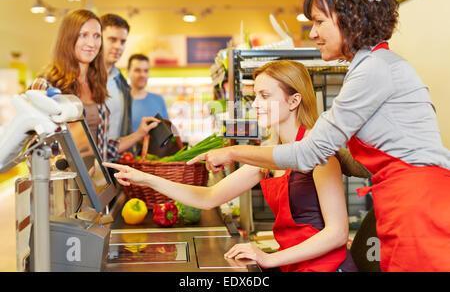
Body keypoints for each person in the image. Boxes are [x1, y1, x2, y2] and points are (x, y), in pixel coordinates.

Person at [188, 0, 450, 272]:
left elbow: (305, 154)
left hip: (418, 207)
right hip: (401, 204)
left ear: (351, 17)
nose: (312, 33)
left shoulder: (373, 69)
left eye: (318, 21)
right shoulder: (370, 66)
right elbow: (361, 156)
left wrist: (232, 152)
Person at [105, 60, 357, 272]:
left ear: (293, 101)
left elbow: (337, 233)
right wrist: (145, 178)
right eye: (254, 95)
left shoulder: (319, 153)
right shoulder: (269, 158)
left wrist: (269, 258)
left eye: (265, 96)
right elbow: (209, 197)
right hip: (294, 265)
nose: (255, 103)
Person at [29, 9, 159, 162]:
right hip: (60, 185)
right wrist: (62, 166)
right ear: (68, 38)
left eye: (96, 36)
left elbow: (101, 149)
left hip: (94, 183)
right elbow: (33, 151)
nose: (91, 43)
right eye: (83, 35)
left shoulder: (97, 86)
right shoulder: (44, 86)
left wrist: (139, 134)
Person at [100, 13, 133, 140]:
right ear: (99, 38)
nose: (118, 46)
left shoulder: (122, 83)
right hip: (85, 157)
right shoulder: (83, 78)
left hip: (114, 156)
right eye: (112, 40)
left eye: (123, 41)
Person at [128, 53, 169, 133]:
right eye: (137, 70)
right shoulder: (120, 102)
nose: (142, 75)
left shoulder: (159, 100)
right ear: (128, 72)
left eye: (146, 71)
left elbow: (167, 132)